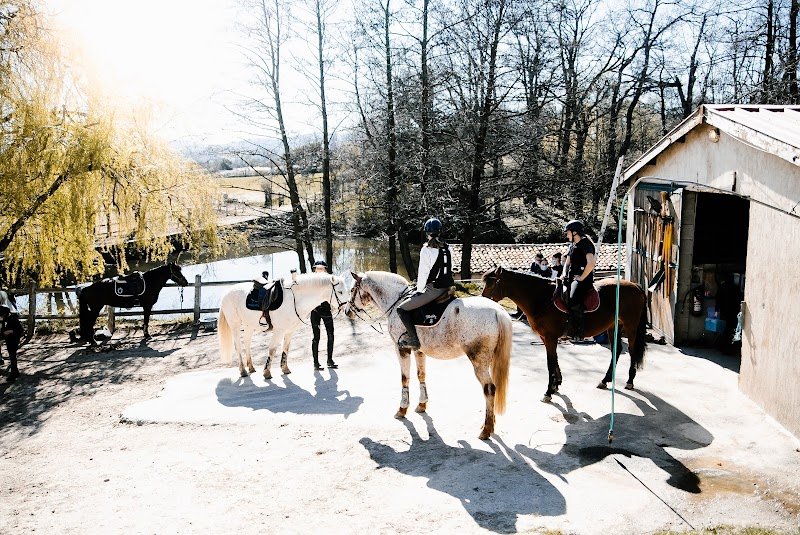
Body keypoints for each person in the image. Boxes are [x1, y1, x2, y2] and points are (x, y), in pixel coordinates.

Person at [396, 217, 455, 349]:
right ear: (440, 231)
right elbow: (450, 268)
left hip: (434, 289)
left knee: (401, 309)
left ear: (427, 232)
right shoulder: (448, 248)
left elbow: (423, 273)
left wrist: (419, 290)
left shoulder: (426, 249)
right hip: (447, 288)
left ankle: (414, 339)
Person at [560, 220, 596, 340]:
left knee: (573, 298)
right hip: (570, 277)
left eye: (568, 232)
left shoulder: (586, 244)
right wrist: (563, 274)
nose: (567, 235)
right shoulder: (572, 246)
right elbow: (567, 263)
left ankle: (579, 331)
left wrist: (581, 277)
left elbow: (591, 263)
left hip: (583, 279)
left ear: (575, 232)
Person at [310, 260, 336, 370]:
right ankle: (316, 363)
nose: (320, 270)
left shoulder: (329, 280)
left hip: (326, 311)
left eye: (322, 268)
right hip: (315, 311)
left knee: (331, 335)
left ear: (325, 269)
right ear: (315, 269)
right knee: (316, 337)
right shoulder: (311, 281)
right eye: (318, 268)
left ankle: (330, 360)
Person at [0, 304, 22, 382]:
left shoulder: (13, 319)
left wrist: (11, 331)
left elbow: (20, 330)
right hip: (8, 340)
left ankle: (13, 374)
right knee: (12, 356)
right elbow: (3, 330)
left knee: (12, 356)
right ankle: (15, 372)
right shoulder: (4, 320)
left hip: (14, 340)